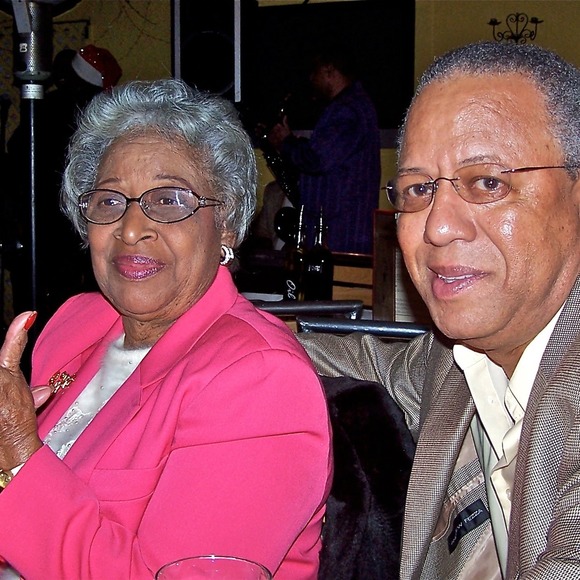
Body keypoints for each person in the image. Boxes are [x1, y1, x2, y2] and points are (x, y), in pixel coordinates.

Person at [0, 79, 332, 578]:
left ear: (226, 223)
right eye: (109, 201)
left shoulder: (260, 379)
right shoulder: (76, 322)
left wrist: (17, 458)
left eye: (169, 199)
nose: (132, 228)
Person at [299, 40, 580, 578]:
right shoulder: (461, 360)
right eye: (418, 189)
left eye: (488, 183)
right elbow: (366, 361)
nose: (438, 226)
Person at [6, 45, 122, 331]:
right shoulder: (82, 117)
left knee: (35, 312)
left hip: (36, 227)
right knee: (64, 312)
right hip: (58, 230)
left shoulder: (43, 108)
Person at [267, 43, 381, 255]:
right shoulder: (354, 105)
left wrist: (286, 142)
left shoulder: (346, 109)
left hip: (341, 231)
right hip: (343, 227)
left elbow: (318, 159)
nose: (311, 78)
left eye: (315, 72)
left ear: (329, 70)